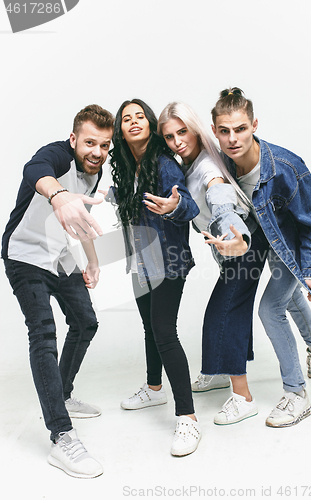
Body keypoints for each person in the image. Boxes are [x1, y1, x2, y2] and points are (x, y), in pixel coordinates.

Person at [207, 87, 311, 427]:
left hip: (288, 247)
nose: (233, 139)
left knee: (270, 307)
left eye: (241, 129)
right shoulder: (221, 166)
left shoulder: (287, 167)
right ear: (215, 131)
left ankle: (296, 394)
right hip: (259, 241)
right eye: (225, 131)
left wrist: (310, 272)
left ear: (254, 125)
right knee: (288, 299)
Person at [2, 104, 114, 477]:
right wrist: (58, 194)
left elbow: (80, 219)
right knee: (44, 335)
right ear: (73, 139)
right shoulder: (56, 155)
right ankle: (61, 436)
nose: (96, 152)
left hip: (60, 256)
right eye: (89, 143)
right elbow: (34, 170)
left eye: (104, 145)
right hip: (24, 255)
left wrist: (92, 260)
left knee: (86, 322)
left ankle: (62, 393)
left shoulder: (94, 172)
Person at [157, 101, 269, 425]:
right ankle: (221, 372)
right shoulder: (188, 164)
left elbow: (219, 196)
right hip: (231, 248)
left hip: (242, 243)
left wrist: (234, 235)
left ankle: (243, 398)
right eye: (169, 137)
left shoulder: (206, 165)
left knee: (224, 315)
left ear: (195, 129)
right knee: (228, 312)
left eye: (183, 132)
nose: (178, 141)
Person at [106, 98, 201, 456]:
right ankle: (153, 389)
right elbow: (131, 201)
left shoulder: (164, 165)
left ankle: (188, 418)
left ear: (150, 124)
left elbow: (186, 203)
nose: (133, 121)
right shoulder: (129, 165)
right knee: (149, 326)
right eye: (126, 118)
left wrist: (176, 206)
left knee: (164, 332)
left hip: (168, 262)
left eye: (140, 116)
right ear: (121, 129)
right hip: (139, 260)